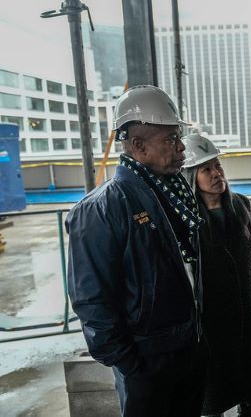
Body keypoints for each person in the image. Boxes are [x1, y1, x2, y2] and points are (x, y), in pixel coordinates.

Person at [65, 85, 208, 417]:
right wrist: (130, 364)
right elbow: (91, 301)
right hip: (146, 363)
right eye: (170, 139)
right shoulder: (101, 210)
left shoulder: (175, 194)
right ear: (138, 146)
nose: (181, 147)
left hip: (188, 349)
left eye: (178, 137)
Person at [180, 133, 251, 417]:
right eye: (206, 169)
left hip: (249, 309)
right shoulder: (188, 218)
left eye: (217, 166)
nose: (215, 174)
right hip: (213, 318)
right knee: (215, 391)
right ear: (192, 177)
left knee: (249, 385)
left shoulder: (241, 205)